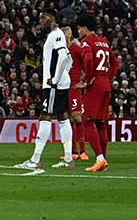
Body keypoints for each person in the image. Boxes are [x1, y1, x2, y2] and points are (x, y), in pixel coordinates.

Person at [15, 12, 74, 172]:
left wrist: (55, 78)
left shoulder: (56, 35)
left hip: (53, 85)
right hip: (60, 83)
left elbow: (63, 56)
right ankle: (68, 159)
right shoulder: (57, 35)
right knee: (62, 117)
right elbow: (69, 60)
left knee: (45, 117)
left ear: (52, 19)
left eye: (43, 19)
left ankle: (35, 159)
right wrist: (63, 75)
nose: (41, 22)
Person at [77, 15, 118, 172]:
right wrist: (107, 77)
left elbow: (88, 60)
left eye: (79, 28)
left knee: (87, 121)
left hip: (95, 86)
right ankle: (103, 160)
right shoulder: (104, 42)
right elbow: (115, 63)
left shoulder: (86, 42)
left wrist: (88, 80)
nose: (79, 31)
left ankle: (100, 159)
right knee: (101, 123)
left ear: (85, 28)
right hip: (105, 84)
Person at [65, 25, 92, 162]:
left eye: (66, 33)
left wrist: (85, 82)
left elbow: (87, 63)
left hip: (74, 87)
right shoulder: (60, 50)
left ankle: (83, 151)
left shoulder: (76, 48)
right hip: (62, 88)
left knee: (77, 117)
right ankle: (72, 151)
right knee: (66, 119)